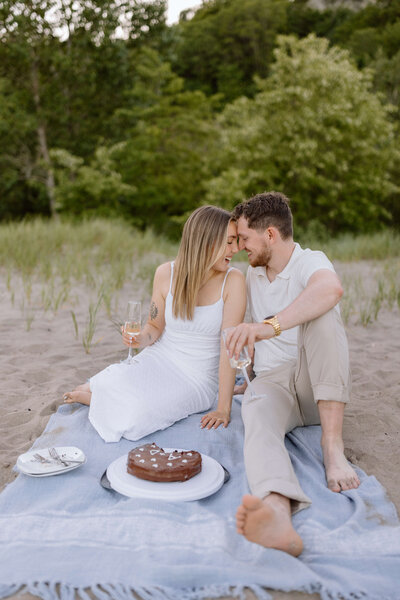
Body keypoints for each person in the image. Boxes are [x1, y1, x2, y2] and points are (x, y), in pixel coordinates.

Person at [224, 191, 360, 557]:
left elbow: (331, 289)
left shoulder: (309, 261)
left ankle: (332, 447)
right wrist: (245, 377)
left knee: (324, 313)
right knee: (254, 414)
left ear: (270, 234)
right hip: (273, 384)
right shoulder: (250, 276)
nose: (240, 248)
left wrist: (268, 327)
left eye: (246, 239)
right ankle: (277, 511)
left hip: (315, 383)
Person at [63, 205, 246, 442]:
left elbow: (228, 348)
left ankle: (94, 399)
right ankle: (98, 394)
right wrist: (138, 339)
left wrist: (223, 408)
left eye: (237, 241)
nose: (237, 249)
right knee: (104, 382)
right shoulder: (165, 273)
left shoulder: (233, 281)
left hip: (198, 378)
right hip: (160, 357)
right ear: (207, 241)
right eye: (229, 242)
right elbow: (154, 327)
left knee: (137, 417)